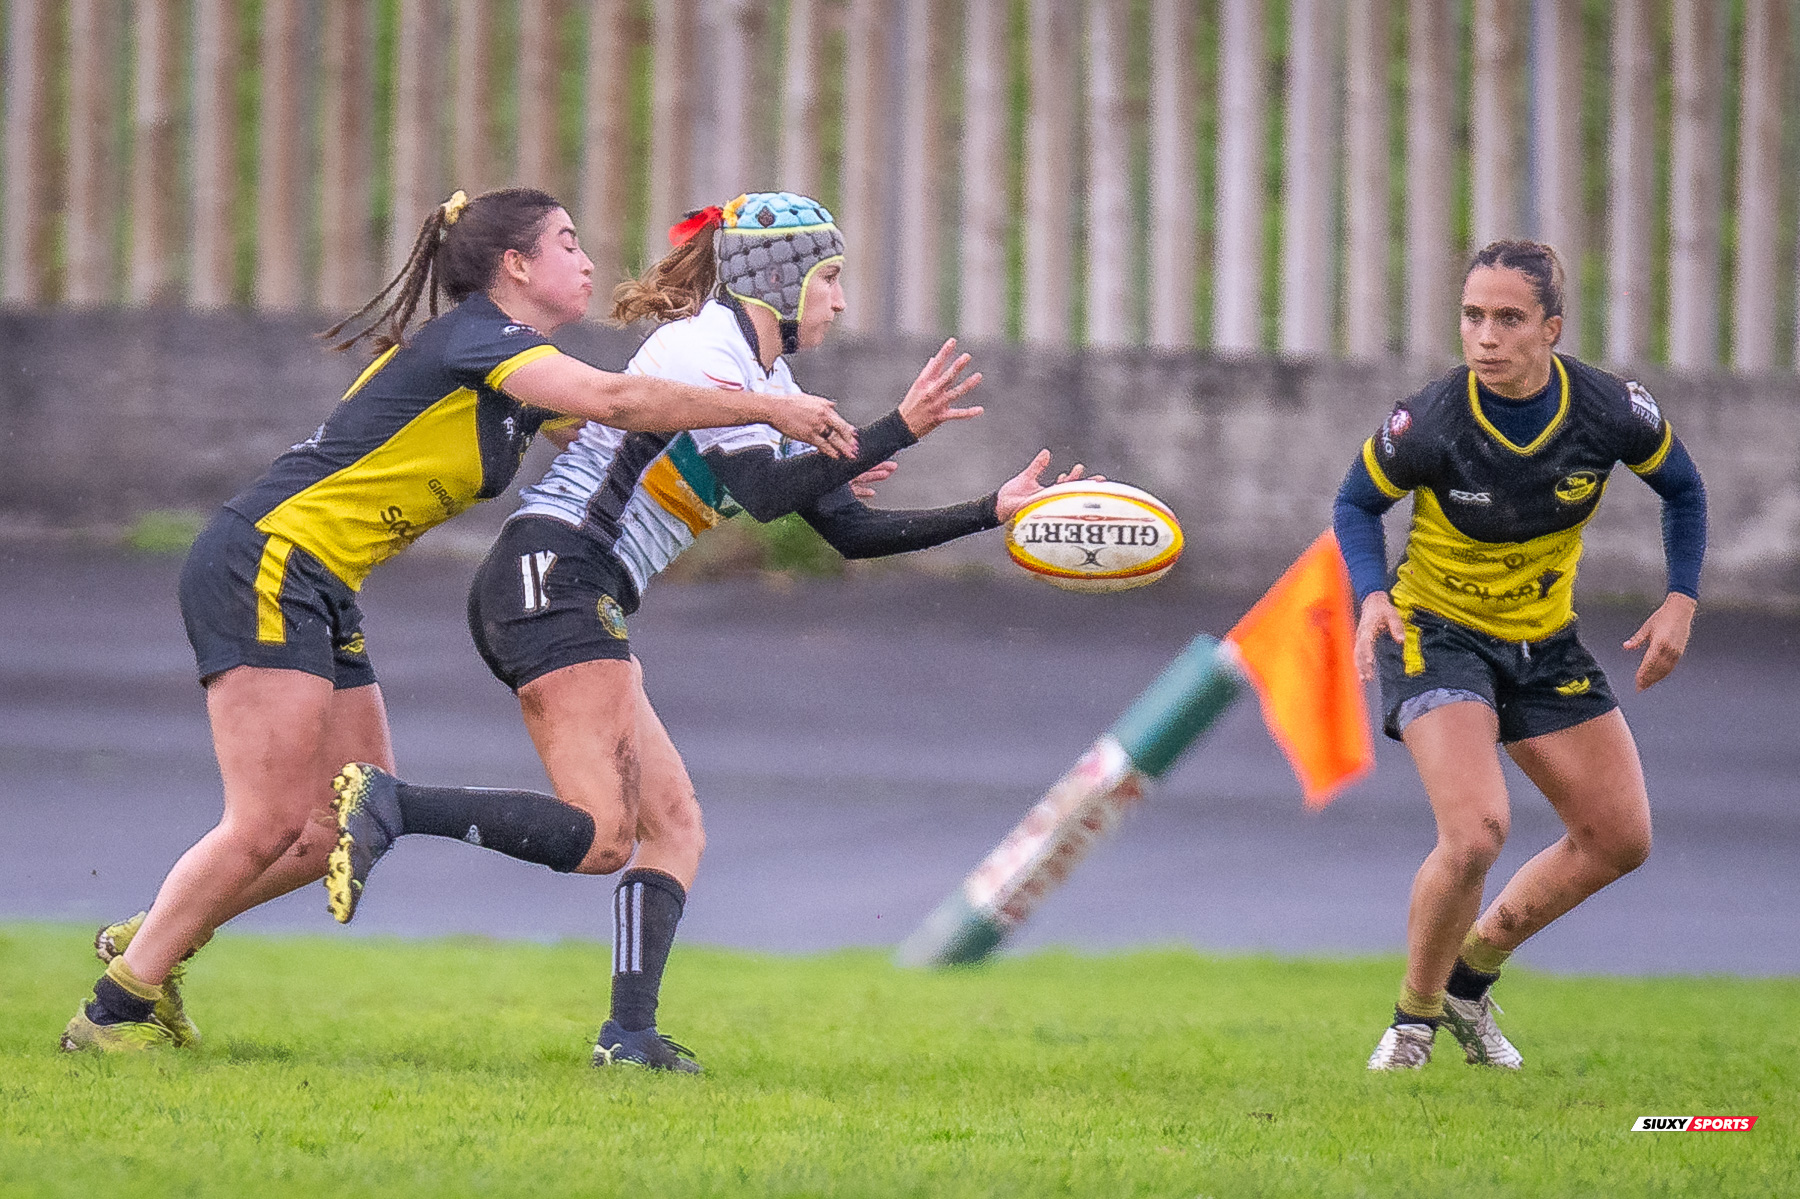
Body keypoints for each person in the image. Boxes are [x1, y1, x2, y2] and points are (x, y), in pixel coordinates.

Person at [62, 188, 862, 1052]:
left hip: (322, 583)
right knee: (266, 821)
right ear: (515, 267)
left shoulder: (519, 373)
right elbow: (621, 400)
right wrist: (769, 407)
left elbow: (631, 439)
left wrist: (796, 467)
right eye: (566, 242)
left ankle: (155, 937)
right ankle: (116, 1011)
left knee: (331, 825)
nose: (586, 259)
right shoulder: (484, 337)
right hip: (264, 560)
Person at [322, 192, 1096, 1072]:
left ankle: (629, 1036)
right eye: (830, 278)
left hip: (573, 588)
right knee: (603, 833)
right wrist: (900, 428)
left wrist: (992, 511)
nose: (839, 302)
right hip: (557, 575)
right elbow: (767, 495)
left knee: (675, 825)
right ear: (782, 277)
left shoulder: (776, 387)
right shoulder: (704, 351)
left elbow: (847, 531)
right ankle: (393, 803)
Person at [1333, 240, 1707, 1071]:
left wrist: (1681, 597)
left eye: (1508, 319)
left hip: (1545, 643)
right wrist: (1370, 595)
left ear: (1551, 329)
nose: (1486, 337)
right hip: (1437, 634)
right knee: (1475, 833)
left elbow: (1683, 486)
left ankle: (1471, 978)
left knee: (1619, 838)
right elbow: (1356, 503)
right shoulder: (1431, 419)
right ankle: (1413, 1021)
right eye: (1473, 317)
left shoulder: (1608, 408)